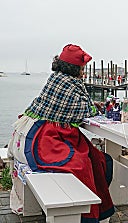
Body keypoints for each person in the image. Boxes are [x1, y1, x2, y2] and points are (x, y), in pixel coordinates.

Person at [7, 44, 114, 222]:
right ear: (75, 68)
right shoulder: (69, 83)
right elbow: (82, 111)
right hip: (43, 138)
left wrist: (91, 106)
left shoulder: (56, 78)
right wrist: (95, 108)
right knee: (81, 165)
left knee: (95, 158)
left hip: (34, 131)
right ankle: (83, 214)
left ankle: (95, 208)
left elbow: (71, 108)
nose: (83, 72)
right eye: (82, 68)